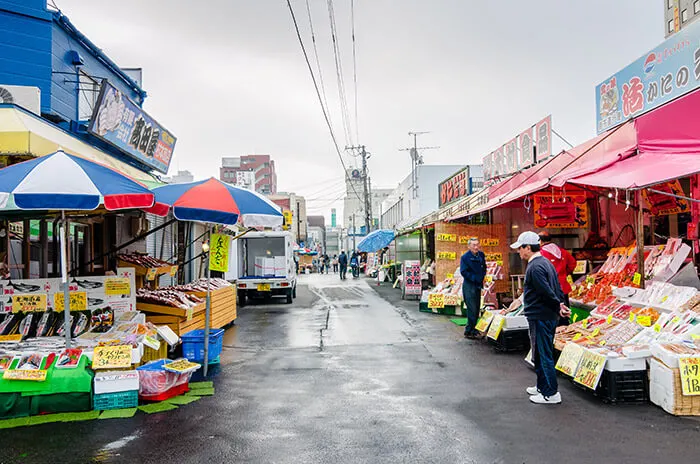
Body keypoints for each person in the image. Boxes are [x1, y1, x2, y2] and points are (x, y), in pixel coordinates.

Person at [511, 231, 570, 405]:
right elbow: (556, 287)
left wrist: (557, 305)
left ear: (528, 248)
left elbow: (545, 291)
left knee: (543, 353)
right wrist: (559, 304)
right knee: (539, 351)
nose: (519, 252)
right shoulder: (545, 263)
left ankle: (551, 393)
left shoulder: (535, 267)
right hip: (545, 314)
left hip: (541, 315)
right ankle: (542, 386)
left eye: (520, 248)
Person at [539, 231, 576, 325]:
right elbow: (573, 263)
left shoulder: (541, 253)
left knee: (551, 317)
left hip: (549, 289)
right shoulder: (562, 251)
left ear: (540, 241)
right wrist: (564, 274)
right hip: (563, 287)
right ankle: (565, 335)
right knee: (564, 316)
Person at [460, 238, 487, 339]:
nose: (476, 247)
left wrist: (482, 276)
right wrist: (474, 278)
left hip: (478, 285)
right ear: (469, 246)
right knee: (472, 309)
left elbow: (484, 267)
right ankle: (469, 330)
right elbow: (463, 272)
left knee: (476, 308)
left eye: (477, 244)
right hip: (469, 285)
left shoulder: (481, 255)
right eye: (473, 245)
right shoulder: (465, 257)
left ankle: (473, 329)